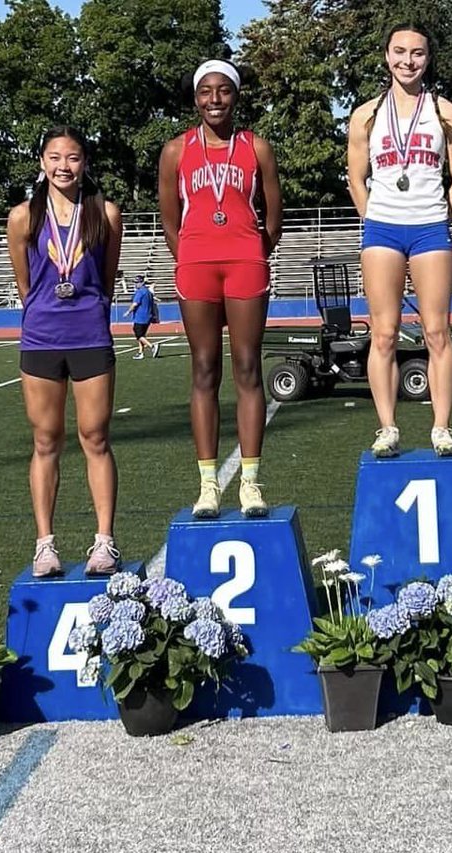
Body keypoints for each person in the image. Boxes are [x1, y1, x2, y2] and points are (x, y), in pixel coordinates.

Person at [158, 59, 283, 518]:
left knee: (248, 367)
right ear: (196, 99)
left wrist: (253, 249)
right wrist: (190, 253)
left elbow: (274, 215)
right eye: (206, 91)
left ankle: (250, 481)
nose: (215, 99)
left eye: (224, 91)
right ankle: (208, 483)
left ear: (235, 96)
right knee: (204, 370)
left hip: (245, 262)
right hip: (197, 264)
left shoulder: (256, 148)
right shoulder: (176, 151)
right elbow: (170, 218)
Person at [347, 22, 452, 457]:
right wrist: (373, 217)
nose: (408, 60)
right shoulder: (366, 114)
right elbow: (355, 176)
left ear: (428, 58)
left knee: (438, 331)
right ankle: (387, 427)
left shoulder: (446, 112)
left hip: (430, 230)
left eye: (417, 53)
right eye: (399, 51)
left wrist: (440, 215)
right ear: (386, 56)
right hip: (382, 228)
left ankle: (441, 427)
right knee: (384, 333)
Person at [7, 125, 124, 577]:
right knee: (44, 441)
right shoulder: (23, 216)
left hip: (90, 336)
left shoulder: (106, 214)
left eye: (72, 158)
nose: (63, 166)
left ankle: (104, 541)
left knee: (95, 438)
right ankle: (45, 545)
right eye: (54, 157)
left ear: (85, 163)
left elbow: (106, 280)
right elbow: (25, 282)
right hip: (41, 338)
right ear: (41, 162)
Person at [127, 274, 158, 360]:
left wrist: (128, 312)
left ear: (141, 283)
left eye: (137, 283)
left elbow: (135, 304)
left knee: (139, 335)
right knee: (142, 335)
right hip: (148, 316)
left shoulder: (140, 292)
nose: (135, 284)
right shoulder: (148, 292)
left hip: (140, 317)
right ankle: (141, 352)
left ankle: (152, 346)